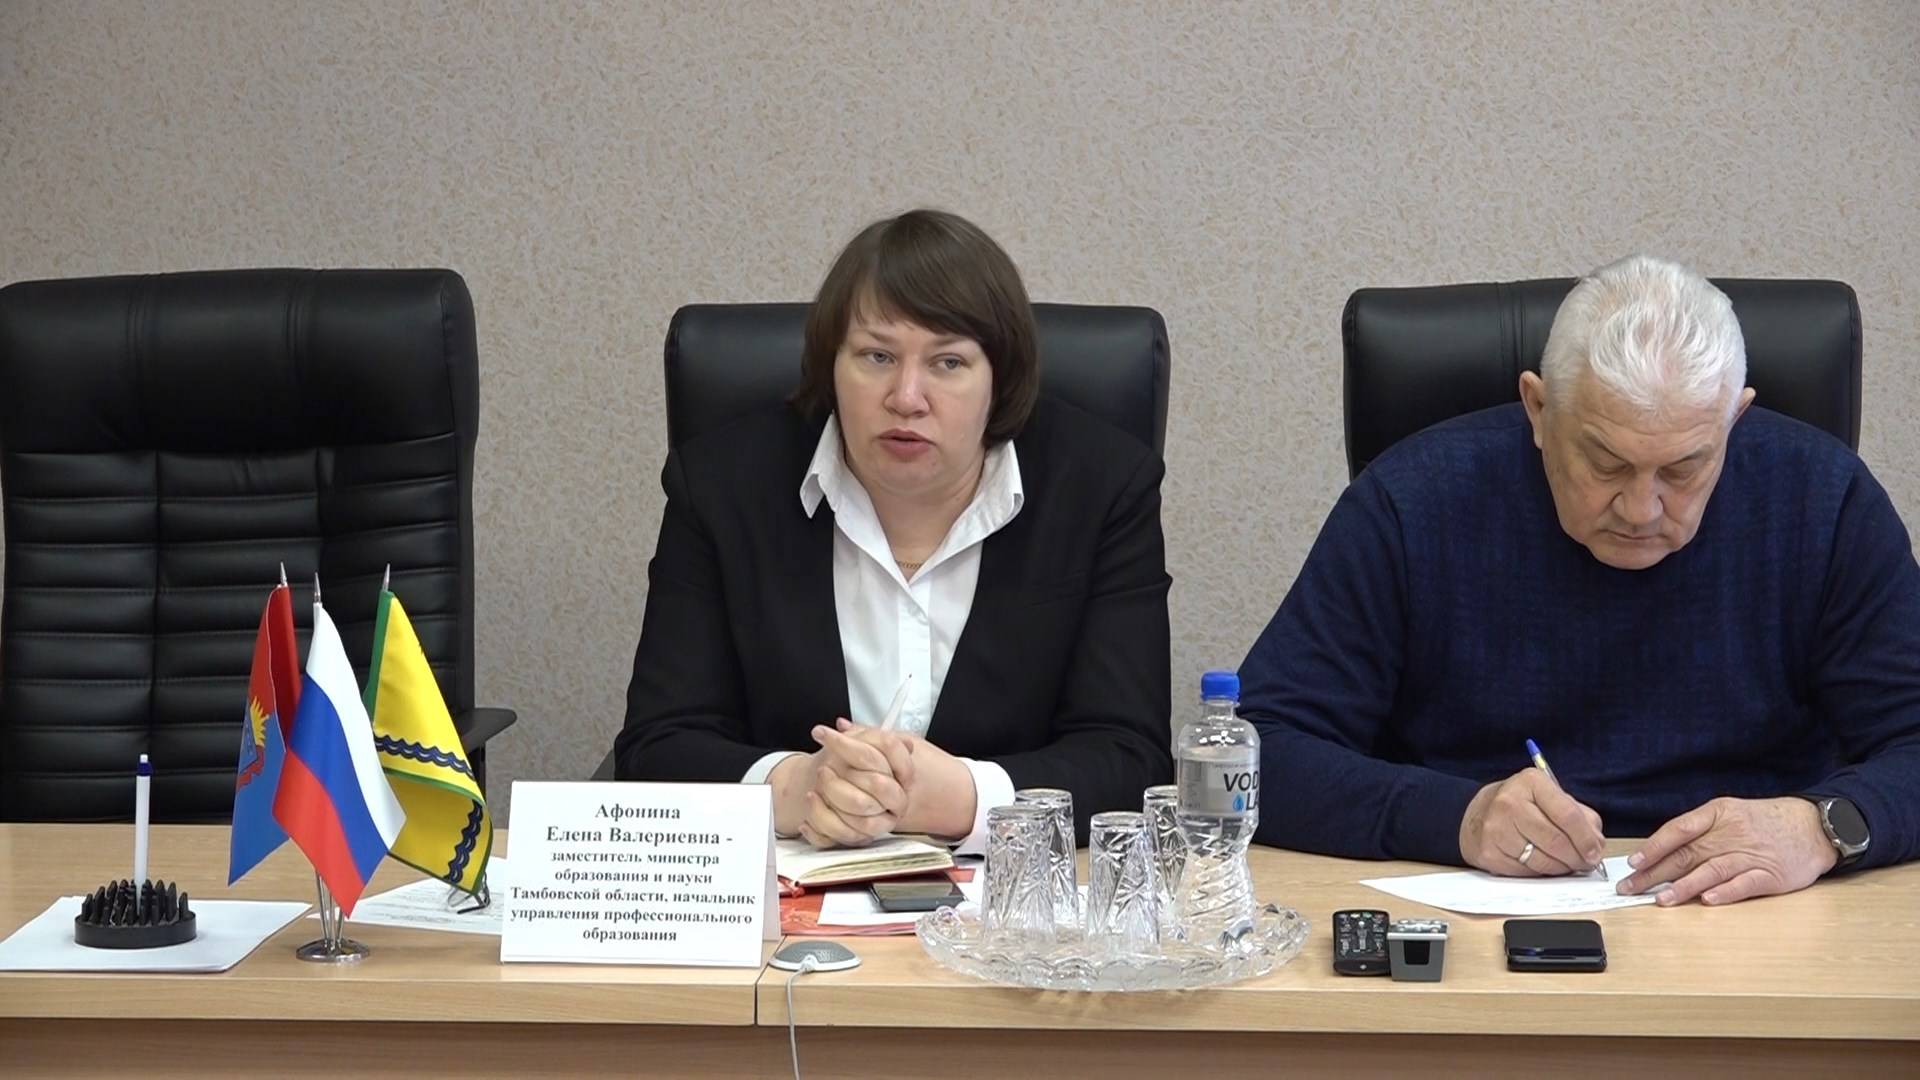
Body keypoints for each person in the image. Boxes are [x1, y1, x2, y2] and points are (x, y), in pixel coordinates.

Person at [1240, 254, 1919, 906]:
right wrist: (1458, 816)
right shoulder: (1413, 503)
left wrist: (1822, 826)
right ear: (1538, 409)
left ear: (1734, 420)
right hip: (1481, 905)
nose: (1641, 509)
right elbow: (1255, 751)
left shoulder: (1825, 503)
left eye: (1683, 468)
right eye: (1606, 462)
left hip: (1752, 913)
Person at [614, 209, 1172, 851]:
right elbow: (658, 747)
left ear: (1001, 379)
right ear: (831, 366)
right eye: (876, 356)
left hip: (1014, 894)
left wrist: (963, 798)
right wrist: (795, 787)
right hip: (792, 885)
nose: (906, 397)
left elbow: (1130, 759)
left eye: (949, 362)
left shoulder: (1101, 488)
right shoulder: (723, 487)